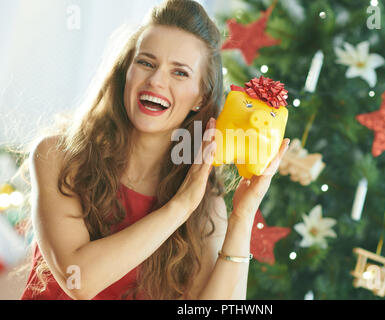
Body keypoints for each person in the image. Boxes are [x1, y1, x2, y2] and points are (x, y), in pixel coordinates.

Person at [19, 0, 289, 300]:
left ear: (201, 96)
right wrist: (179, 207)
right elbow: (78, 280)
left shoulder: (205, 203)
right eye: (146, 63)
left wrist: (243, 216)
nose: (156, 81)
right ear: (126, 71)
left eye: (180, 73)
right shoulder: (57, 155)